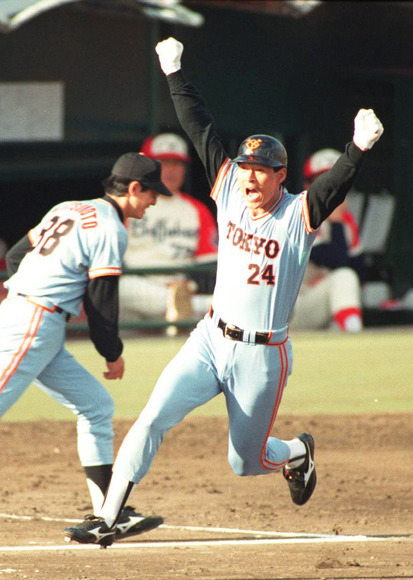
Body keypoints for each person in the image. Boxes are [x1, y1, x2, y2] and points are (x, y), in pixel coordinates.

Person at [63, 37, 383, 547]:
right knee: (151, 418)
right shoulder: (230, 185)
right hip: (210, 340)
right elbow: (200, 127)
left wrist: (358, 148)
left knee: (246, 462)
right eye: (245, 167)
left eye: (260, 170)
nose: (249, 177)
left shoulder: (297, 213)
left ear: (281, 175)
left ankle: (297, 452)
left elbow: (333, 187)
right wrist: (174, 72)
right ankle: (110, 515)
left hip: (263, 355)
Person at [0, 153, 168, 540]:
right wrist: (112, 353)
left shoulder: (68, 207)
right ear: (134, 188)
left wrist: (32, 291)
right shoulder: (111, 227)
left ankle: (109, 512)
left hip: (35, 319)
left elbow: (15, 255)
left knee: (96, 405)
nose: (154, 200)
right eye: (151, 192)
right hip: (33, 321)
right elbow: (101, 301)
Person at [119, 132, 218, 335]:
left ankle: (179, 306)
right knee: (118, 287)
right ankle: (177, 306)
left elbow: (210, 269)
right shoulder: (128, 204)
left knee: (221, 300)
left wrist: (189, 284)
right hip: (138, 288)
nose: (171, 170)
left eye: (177, 164)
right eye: (163, 163)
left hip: (182, 287)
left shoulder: (197, 210)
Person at [289, 149, 365, 333]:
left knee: (345, 280)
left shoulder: (346, 221)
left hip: (322, 303)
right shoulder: (298, 214)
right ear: (307, 186)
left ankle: (354, 334)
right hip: (292, 309)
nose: (331, 187)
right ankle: (354, 334)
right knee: (343, 277)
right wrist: (336, 220)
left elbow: (358, 272)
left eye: (337, 180)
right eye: (323, 180)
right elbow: (337, 261)